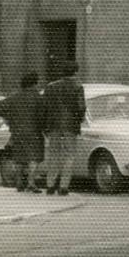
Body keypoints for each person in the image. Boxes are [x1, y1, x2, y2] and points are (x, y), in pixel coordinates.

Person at [42, 60, 86, 196]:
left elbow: (44, 107)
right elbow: (81, 107)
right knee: (69, 155)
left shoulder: (51, 87)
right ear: (75, 71)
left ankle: (50, 185)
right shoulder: (78, 86)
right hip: (70, 125)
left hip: (53, 125)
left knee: (53, 154)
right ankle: (63, 187)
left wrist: (45, 124)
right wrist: (79, 119)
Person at [0, 73, 45, 193]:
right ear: (35, 83)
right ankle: (31, 183)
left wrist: (9, 118)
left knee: (19, 157)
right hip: (34, 132)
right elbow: (43, 115)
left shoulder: (15, 97)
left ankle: (19, 183)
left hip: (17, 132)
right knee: (34, 157)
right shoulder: (39, 98)